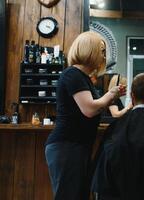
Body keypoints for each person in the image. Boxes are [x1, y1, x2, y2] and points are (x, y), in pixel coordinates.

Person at [44, 31, 126, 200]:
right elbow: (89, 109)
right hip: (67, 145)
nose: (104, 55)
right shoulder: (72, 74)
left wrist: (112, 97)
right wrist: (111, 94)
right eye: (101, 50)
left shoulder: (84, 78)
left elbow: (94, 109)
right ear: (89, 49)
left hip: (77, 146)